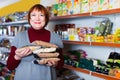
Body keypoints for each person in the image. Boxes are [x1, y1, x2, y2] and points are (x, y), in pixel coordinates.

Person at [7, 4, 64, 80]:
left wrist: (55, 63)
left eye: (41, 15)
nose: (37, 18)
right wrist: (18, 57)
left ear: (46, 18)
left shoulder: (55, 38)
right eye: (33, 15)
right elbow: (10, 66)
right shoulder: (19, 37)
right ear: (29, 18)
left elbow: (61, 64)